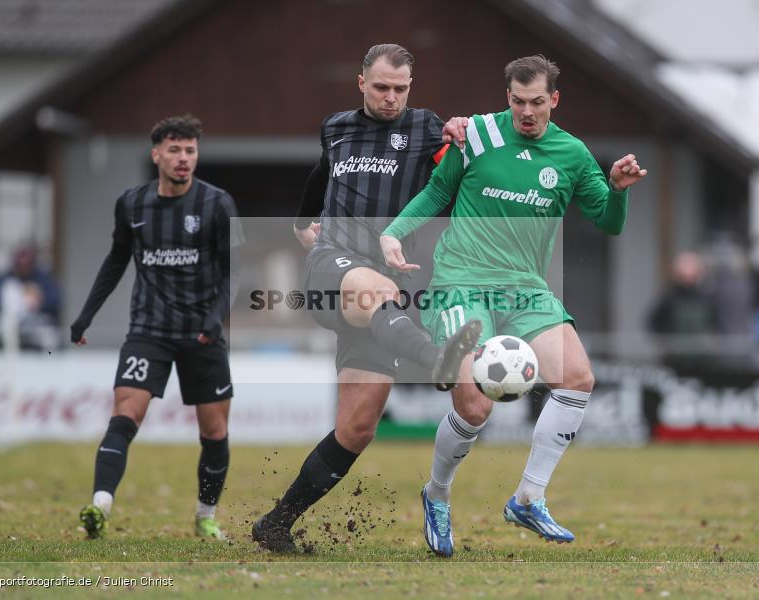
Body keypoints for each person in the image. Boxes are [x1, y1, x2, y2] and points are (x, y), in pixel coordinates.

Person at [380, 55, 647, 556]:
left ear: (555, 100)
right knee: (475, 404)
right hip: (461, 282)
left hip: (525, 288)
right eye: (518, 101)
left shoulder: (570, 153)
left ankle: (529, 497)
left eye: (537, 102)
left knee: (578, 378)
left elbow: (609, 222)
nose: (527, 112)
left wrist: (617, 191)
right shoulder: (476, 135)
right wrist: (394, 233)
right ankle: (437, 494)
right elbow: (438, 191)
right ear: (508, 98)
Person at [251, 44, 481, 553]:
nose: (391, 97)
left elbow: (458, 162)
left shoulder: (426, 127)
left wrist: (462, 127)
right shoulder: (336, 127)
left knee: (356, 428)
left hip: (386, 300)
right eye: (381, 87)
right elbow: (320, 175)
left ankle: (275, 524)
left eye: (400, 89)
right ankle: (437, 358)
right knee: (378, 291)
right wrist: (300, 225)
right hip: (333, 267)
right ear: (360, 82)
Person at [70, 114, 241, 540]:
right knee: (126, 412)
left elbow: (232, 273)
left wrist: (214, 317)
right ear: (156, 154)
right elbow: (115, 260)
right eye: (175, 150)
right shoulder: (132, 203)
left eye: (190, 151)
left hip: (203, 333)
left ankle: (205, 516)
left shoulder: (217, 203)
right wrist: (86, 313)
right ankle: (99, 507)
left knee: (214, 430)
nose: (184, 159)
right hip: (149, 330)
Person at [648, 251, 718, 370]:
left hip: (703, 361)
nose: (689, 276)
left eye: (693, 271)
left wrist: (712, 342)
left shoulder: (706, 297)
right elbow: (653, 323)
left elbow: (716, 323)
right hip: (675, 362)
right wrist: (667, 344)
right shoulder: (669, 297)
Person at [0, 245, 62, 351]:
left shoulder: (44, 280)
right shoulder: (4, 279)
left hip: (38, 325)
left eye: (27, 264)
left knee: (50, 341)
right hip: (9, 326)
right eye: (20, 264)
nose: (23, 268)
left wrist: (39, 304)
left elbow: (55, 301)